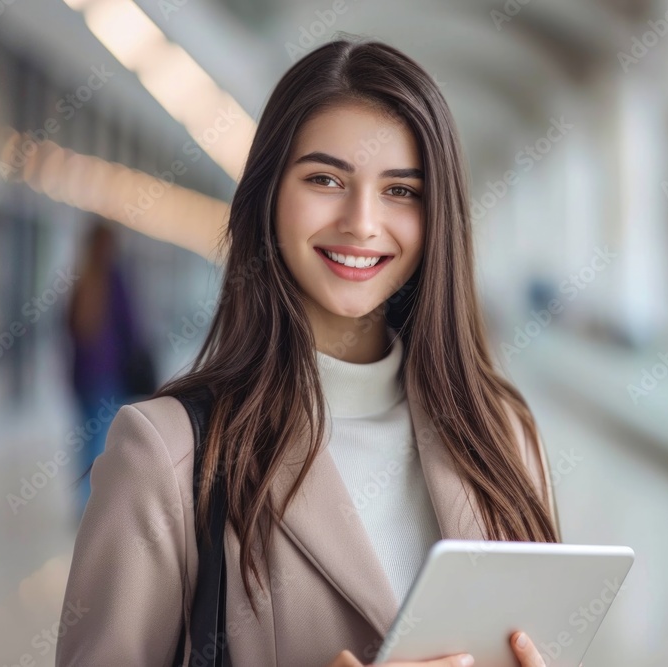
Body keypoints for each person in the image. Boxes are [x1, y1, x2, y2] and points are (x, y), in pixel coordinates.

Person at [56, 38, 562, 667]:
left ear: (439, 220)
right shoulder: (165, 454)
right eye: (325, 179)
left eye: (401, 191)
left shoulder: (504, 433)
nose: (362, 222)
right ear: (268, 197)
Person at [65, 219, 135, 520]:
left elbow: (66, 329)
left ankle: (83, 500)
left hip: (82, 377)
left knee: (85, 436)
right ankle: (93, 502)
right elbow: (130, 326)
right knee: (101, 438)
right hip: (108, 374)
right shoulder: (114, 279)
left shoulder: (80, 281)